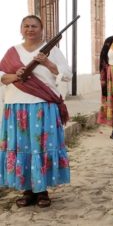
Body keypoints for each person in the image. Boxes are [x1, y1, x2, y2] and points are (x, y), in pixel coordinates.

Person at [0, 15, 72, 208]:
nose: (30, 29)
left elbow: (67, 74)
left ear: (41, 29)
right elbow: (1, 76)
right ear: (21, 29)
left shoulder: (53, 51)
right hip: (17, 106)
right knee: (22, 147)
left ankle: (42, 191)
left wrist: (47, 63)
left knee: (40, 147)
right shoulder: (12, 52)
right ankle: (27, 190)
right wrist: (16, 75)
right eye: (26, 26)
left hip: (43, 105)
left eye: (34, 26)